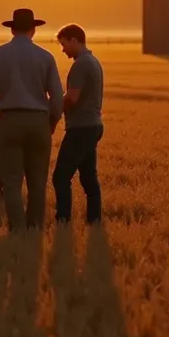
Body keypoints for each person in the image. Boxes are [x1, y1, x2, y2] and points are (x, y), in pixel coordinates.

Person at [0, 8, 64, 231]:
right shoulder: (46, 57)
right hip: (39, 122)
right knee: (37, 183)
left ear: (12, 29)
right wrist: (52, 121)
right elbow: (56, 96)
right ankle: (35, 228)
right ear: (34, 30)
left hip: (9, 121)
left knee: (12, 183)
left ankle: (17, 230)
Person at [52, 23, 104, 225]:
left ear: (74, 40)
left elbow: (72, 98)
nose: (63, 49)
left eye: (64, 44)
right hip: (93, 126)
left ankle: (63, 221)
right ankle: (94, 221)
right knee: (88, 178)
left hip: (80, 128)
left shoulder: (81, 64)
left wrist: (53, 106)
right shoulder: (94, 61)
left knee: (60, 177)